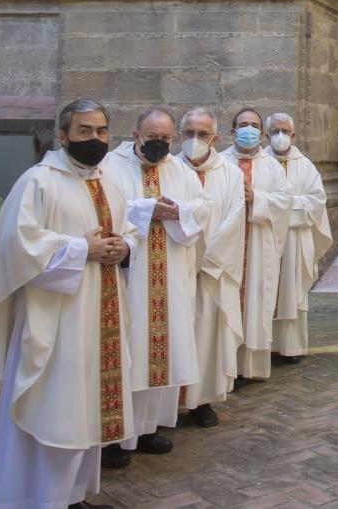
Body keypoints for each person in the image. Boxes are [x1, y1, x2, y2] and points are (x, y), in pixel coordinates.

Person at [0, 98, 135, 509]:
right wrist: (81, 248)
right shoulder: (38, 181)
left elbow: (128, 231)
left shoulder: (108, 182)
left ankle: (72, 494)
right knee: (55, 405)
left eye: (101, 131)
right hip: (57, 318)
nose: (95, 139)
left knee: (86, 405)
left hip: (101, 312)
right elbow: (18, 246)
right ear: (62, 135)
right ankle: (35, 498)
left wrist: (123, 247)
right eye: (85, 131)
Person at [102, 107, 208, 468]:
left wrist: (177, 211)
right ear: (135, 135)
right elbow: (107, 211)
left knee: (162, 351)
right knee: (128, 353)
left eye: (165, 139)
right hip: (130, 277)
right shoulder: (111, 168)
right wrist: (148, 209)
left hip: (171, 275)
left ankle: (148, 428)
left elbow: (203, 207)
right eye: (152, 138)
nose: (159, 145)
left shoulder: (180, 169)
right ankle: (115, 436)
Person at [176, 107, 245, 429]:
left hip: (211, 272)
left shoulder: (230, 173)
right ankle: (166, 405)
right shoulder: (169, 170)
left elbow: (233, 221)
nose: (195, 140)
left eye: (202, 134)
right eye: (189, 133)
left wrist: (209, 260)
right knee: (175, 336)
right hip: (175, 271)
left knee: (206, 335)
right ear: (180, 135)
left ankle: (202, 400)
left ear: (214, 138)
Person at [224, 108, 293, 382]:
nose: (248, 129)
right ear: (232, 132)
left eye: (254, 125)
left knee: (255, 302)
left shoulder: (272, 166)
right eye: (243, 124)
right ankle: (226, 365)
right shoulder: (220, 163)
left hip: (258, 247)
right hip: (229, 248)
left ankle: (249, 368)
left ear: (262, 133)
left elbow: (285, 202)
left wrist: (257, 198)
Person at [266, 112, 332, 363]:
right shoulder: (260, 164)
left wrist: (278, 207)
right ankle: (265, 347)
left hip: (294, 240)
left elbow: (316, 202)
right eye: (274, 131)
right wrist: (283, 205)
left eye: (285, 131)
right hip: (268, 239)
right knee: (265, 291)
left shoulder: (305, 166)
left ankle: (291, 348)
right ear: (267, 134)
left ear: (294, 135)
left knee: (292, 292)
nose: (280, 136)